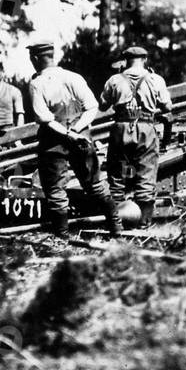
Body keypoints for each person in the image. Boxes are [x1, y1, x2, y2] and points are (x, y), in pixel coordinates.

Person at [27, 40, 121, 239]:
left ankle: (62, 238)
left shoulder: (37, 83)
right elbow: (92, 106)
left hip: (53, 141)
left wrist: (68, 134)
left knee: (55, 190)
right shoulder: (73, 77)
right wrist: (77, 130)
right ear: (52, 56)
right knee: (95, 184)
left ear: (35, 59)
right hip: (82, 138)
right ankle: (117, 230)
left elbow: (45, 118)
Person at [99, 45, 173, 226]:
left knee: (118, 175)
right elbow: (167, 107)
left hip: (121, 129)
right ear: (145, 59)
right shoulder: (156, 79)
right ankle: (144, 222)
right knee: (146, 174)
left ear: (125, 60)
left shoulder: (114, 79)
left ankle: (116, 223)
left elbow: (102, 105)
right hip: (146, 128)